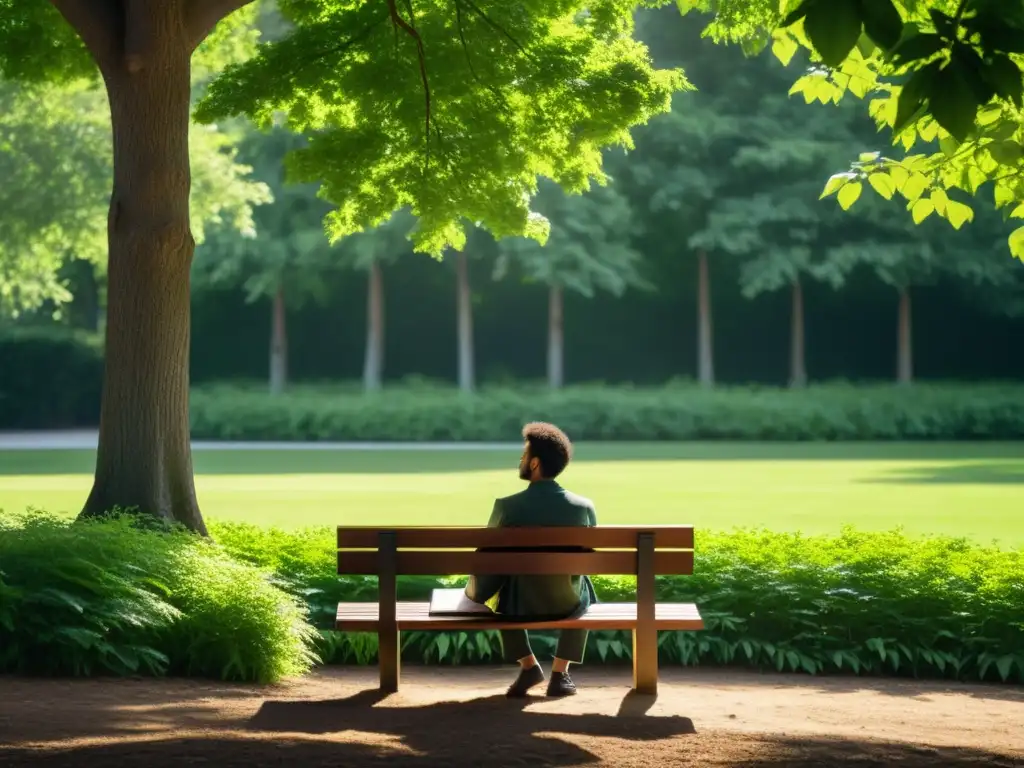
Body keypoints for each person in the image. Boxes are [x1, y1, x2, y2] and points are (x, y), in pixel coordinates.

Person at [464, 422, 598, 698]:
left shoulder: (507, 507)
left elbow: (485, 561)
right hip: (568, 603)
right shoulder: (584, 508)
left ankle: (528, 666)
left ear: (535, 463)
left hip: (519, 604)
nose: (521, 461)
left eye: (524, 456)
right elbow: (590, 559)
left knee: (501, 588)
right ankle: (560, 673)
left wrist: (474, 594)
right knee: (584, 585)